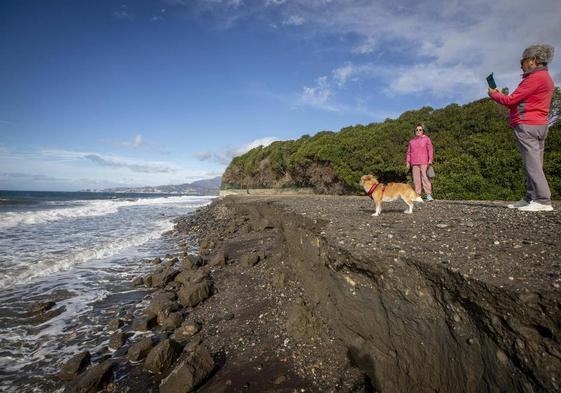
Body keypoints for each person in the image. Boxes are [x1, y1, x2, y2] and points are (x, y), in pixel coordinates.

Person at [488, 44, 555, 212]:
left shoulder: (534, 78)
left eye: (523, 61)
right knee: (535, 163)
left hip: (527, 124)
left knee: (531, 163)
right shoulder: (546, 77)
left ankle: (542, 200)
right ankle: (531, 197)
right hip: (540, 124)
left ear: (533, 60)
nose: (521, 65)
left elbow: (511, 101)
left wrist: (494, 94)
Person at [406, 123, 434, 201]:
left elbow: (430, 150)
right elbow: (408, 152)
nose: (418, 131)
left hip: (424, 162)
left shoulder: (427, 139)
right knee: (416, 179)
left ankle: (428, 195)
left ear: (423, 131)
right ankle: (418, 196)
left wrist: (430, 160)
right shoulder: (412, 141)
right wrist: (408, 162)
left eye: (420, 130)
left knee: (425, 178)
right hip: (414, 163)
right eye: (417, 130)